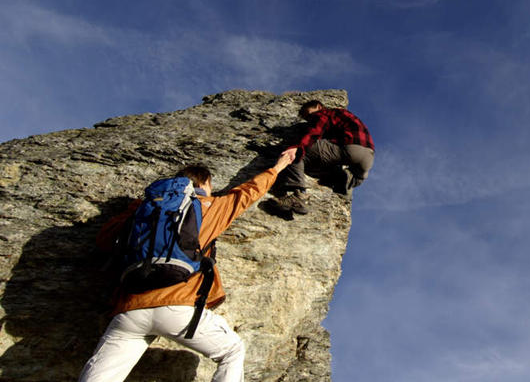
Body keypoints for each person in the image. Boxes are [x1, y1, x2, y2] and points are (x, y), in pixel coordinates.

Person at [78, 150, 295, 382]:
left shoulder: (143, 210)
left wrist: (136, 210)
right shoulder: (207, 206)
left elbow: (104, 240)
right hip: (178, 308)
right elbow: (247, 193)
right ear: (204, 183)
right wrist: (279, 166)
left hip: (130, 310)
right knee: (232, 351)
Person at [276, 100, 374, 214]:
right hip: (368, 157)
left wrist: (298, 147)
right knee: (324, 168)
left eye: (308, 114)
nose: (308, 119)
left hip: (350, 148)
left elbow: (315, 131)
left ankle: (298, 196)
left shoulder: (325, 113)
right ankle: (343, 181)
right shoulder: (344, 116)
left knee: (294, 152)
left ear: (318, 106)